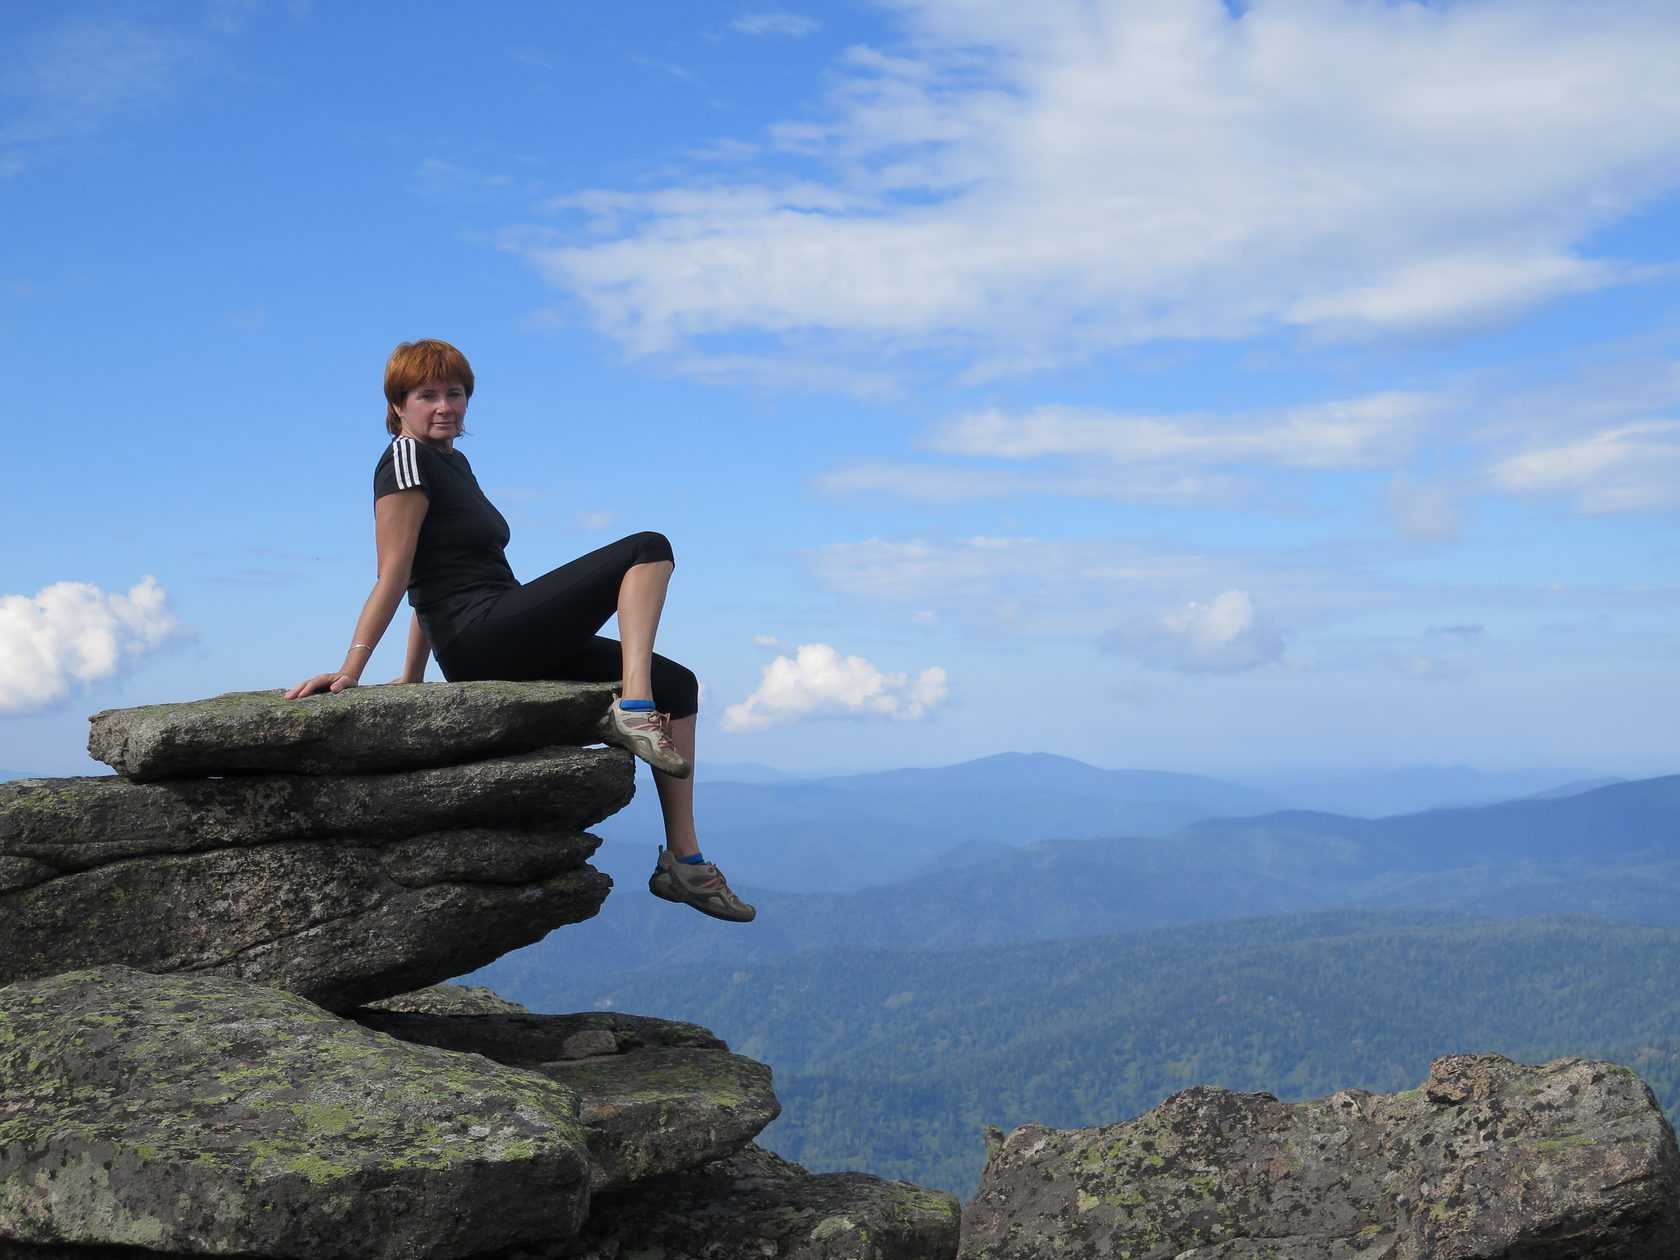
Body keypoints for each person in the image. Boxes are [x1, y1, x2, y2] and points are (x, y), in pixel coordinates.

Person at [286, 339, 754, 923]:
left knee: (679, 685)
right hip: (484, 637)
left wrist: (410, 677)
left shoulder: (454, 462)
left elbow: (432, 578)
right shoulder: (405, 459)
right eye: (426, 395)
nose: (444, 406)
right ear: (397, 405)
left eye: (454, 393)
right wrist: (352, 669)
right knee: (647, 548)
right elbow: (396, 572)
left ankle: (685, 862)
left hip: (497, 627)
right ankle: (633, 706)